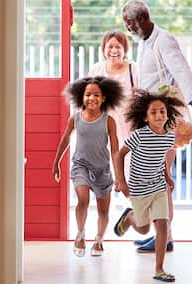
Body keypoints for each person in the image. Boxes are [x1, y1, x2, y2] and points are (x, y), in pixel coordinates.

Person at [121, 0, 192, 252]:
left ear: (143, 17)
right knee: (154, 177)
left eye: (130, 23)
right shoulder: (145, 42)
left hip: (163, 120)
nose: (128, 28)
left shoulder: (163, 39)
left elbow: (182, 68)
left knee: (159, 178)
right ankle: (164, 235)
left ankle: (164, 237)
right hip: (151, 119)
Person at [114, 90, 185, 282]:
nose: (159, 115)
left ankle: (159, 269)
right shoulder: (138, 136)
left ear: (167, 114)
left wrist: (168, 176)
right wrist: (121, 180)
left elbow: (161, 159)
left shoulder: (169, 137)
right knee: (144, 228)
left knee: (162, 225)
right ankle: (129, 218)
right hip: (138, 189)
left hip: (159, 187)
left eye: (162, 111)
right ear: (145, 117)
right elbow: (120, 155)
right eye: (153, 112)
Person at [51, 76, 123, 257]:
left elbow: (115, 150)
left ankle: (99, 240)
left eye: (96, 95)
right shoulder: (75, 118)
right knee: (82, 199)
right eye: (88, 94)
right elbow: (65, 140)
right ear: (81, 97)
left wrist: (119, 177)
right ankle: (80, 234)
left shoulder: (109, 121)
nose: (92, 98)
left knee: (103, 211)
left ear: (104, 98)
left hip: (103, 170)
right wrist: (57, 162)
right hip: (80, 166)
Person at [88, 30, 138, 147]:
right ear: (103, 49)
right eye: (110, 47)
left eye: (118, 47)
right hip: (102, 131)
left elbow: (144, 97)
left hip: (128, 130)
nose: (114, 51)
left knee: (126, 163)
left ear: (125, 50)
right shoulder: (96, 70)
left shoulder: (133, 69)